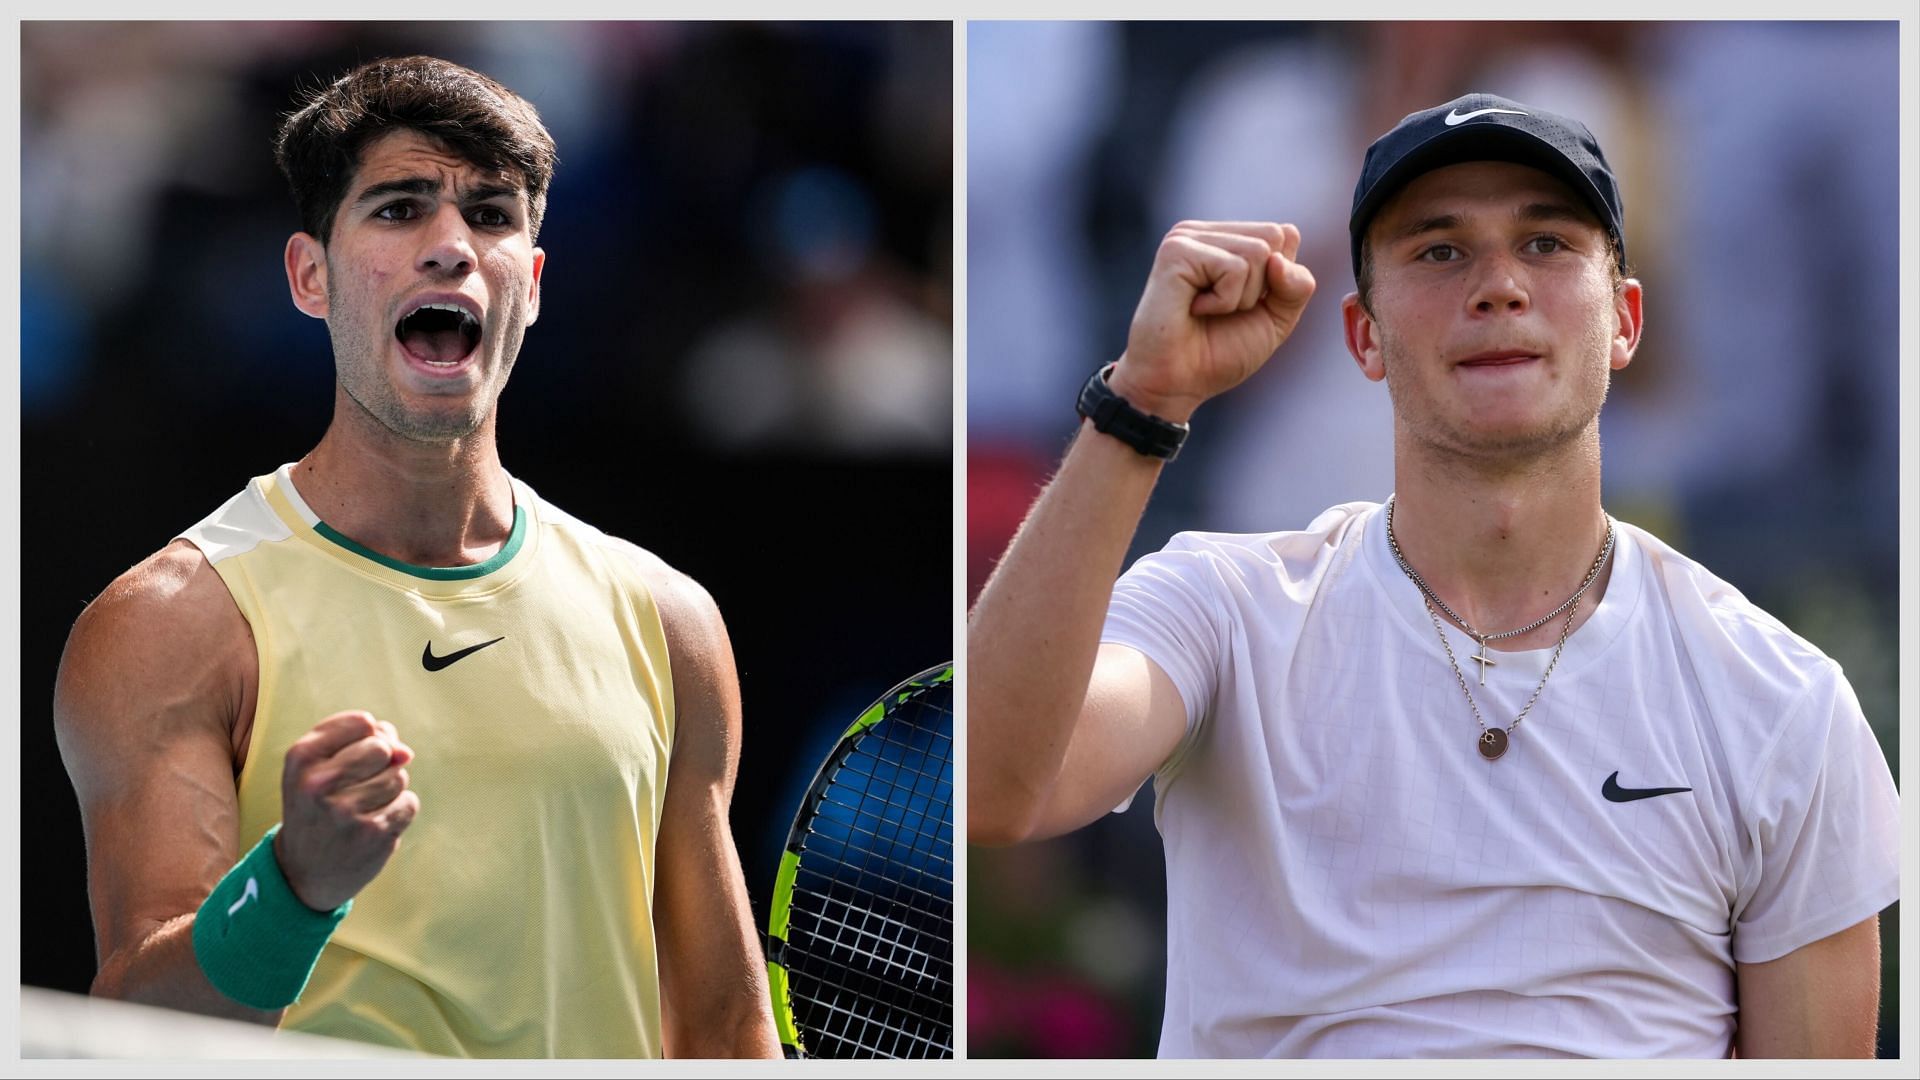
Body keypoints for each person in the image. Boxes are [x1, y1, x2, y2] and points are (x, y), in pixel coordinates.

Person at [967, 92, 1900, 1058]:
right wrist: (1143, 401)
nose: (1498, 284)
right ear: (1364, 337)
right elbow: (996, 787)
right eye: (1439, 251)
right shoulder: (1223, 606)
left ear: (1624, 321)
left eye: (1546, 244)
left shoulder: (1781, 698)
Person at [52, 55, 780, 1059]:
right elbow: (136, 1033)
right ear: (311, 275)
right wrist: (291, 892)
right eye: (398, 210)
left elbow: (724, 1027)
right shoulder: (172, 620)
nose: (451, 248)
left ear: (530, 282)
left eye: (490, 214)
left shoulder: (670, 621)